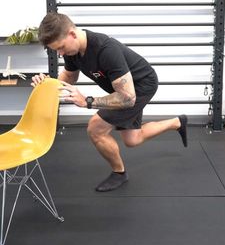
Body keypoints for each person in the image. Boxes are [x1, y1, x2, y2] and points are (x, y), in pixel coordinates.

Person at [32, 12, 188, 192]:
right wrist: (48, 85)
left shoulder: (105, 50)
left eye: (61, 47)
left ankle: (119, 173)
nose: (60, 53)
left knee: (96, 127)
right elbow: (69, 76)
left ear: (72, 34)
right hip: (125, 90)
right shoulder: (72, 50)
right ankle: (178, 122)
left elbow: (128, 98)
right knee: (132, 140)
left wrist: (88, 101)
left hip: (140, 86)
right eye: (56, 50)